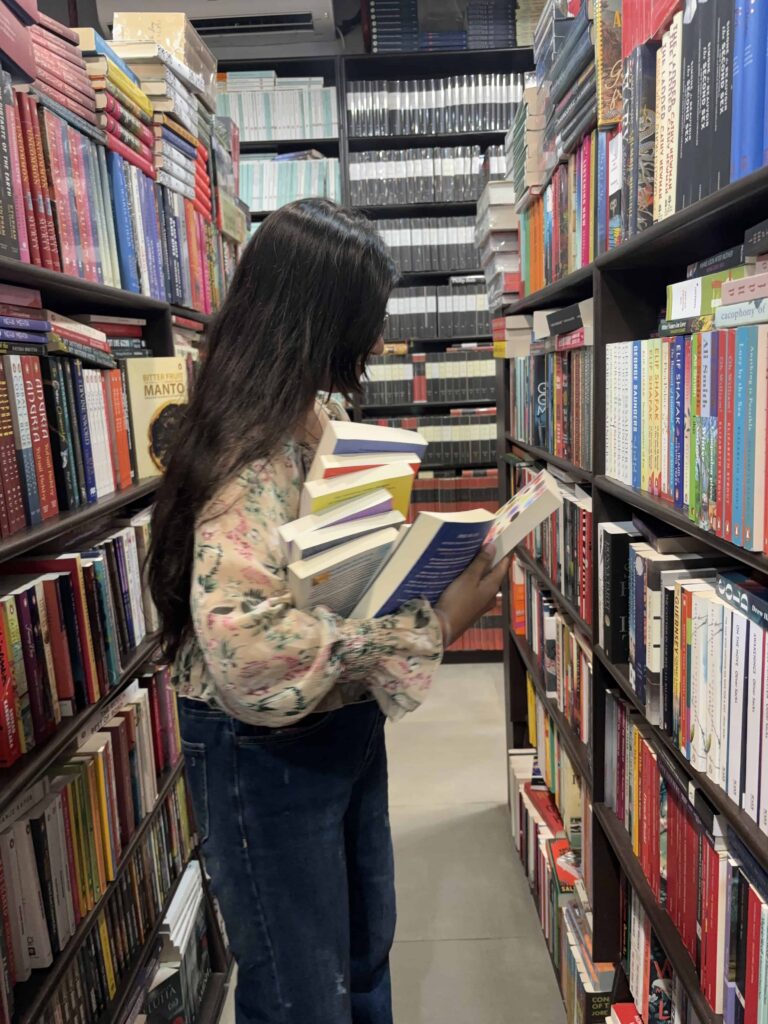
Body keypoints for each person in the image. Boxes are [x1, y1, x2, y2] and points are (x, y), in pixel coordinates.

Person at [148, 198, 510, 1024]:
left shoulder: (317, 419)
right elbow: (246, 648)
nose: (375, 343)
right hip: (263, 753)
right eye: (365, 321)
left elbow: (320, 572)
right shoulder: (244, 456)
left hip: (338, 727)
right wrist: (433, 623)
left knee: (361, 950)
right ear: (316, 320)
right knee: (299, 988)